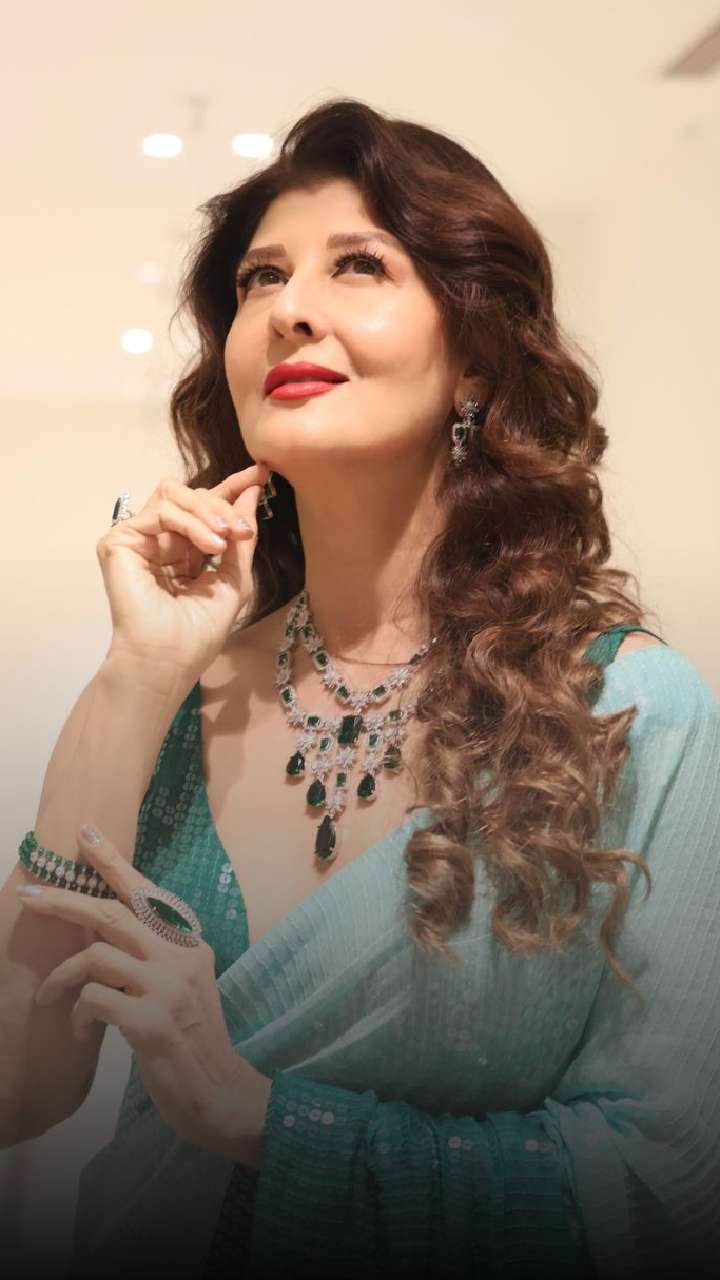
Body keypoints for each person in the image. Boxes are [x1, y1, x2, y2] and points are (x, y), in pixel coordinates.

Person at [1, 96, 718, 1280]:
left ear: (475, 355)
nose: (289, 307)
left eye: (359, 264)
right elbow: (23, 1086)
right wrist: (136, 672)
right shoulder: (177, 694)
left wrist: (258, 1118)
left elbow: (670, 1182)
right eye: (260, 277)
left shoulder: (629, 714)